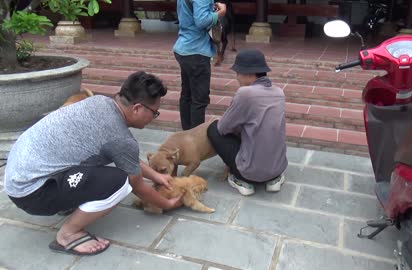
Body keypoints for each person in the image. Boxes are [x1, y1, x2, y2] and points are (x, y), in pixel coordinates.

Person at [4, 71, 184, 256]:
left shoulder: (98, 102)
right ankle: (68, 234)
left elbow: (123, 155)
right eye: (154, 113)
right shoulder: (120, 137)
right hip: (31, 193)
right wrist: (167, 204)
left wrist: (156, 176)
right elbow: (136, 184)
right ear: (137, 108)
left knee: (103, 169)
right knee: (120, 182)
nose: (154, 118)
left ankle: (66, 200)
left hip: (17, 176)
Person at [207, 49, 288, 196]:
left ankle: (241, 180)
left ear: (249, 73)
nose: (237, 77)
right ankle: (274, 180)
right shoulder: (279, 92)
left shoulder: (245, 93)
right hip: (278, 168)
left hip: (249, 173)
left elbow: (223, 128)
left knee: (213, 128)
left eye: (238, 73)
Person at [173, 0, 227, 130]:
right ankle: (195, 139)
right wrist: (221, 13)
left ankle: (186, 134)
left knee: (187, 95)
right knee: (199, 99)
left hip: (184, 47)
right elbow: (201, 21)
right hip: (196, 50)